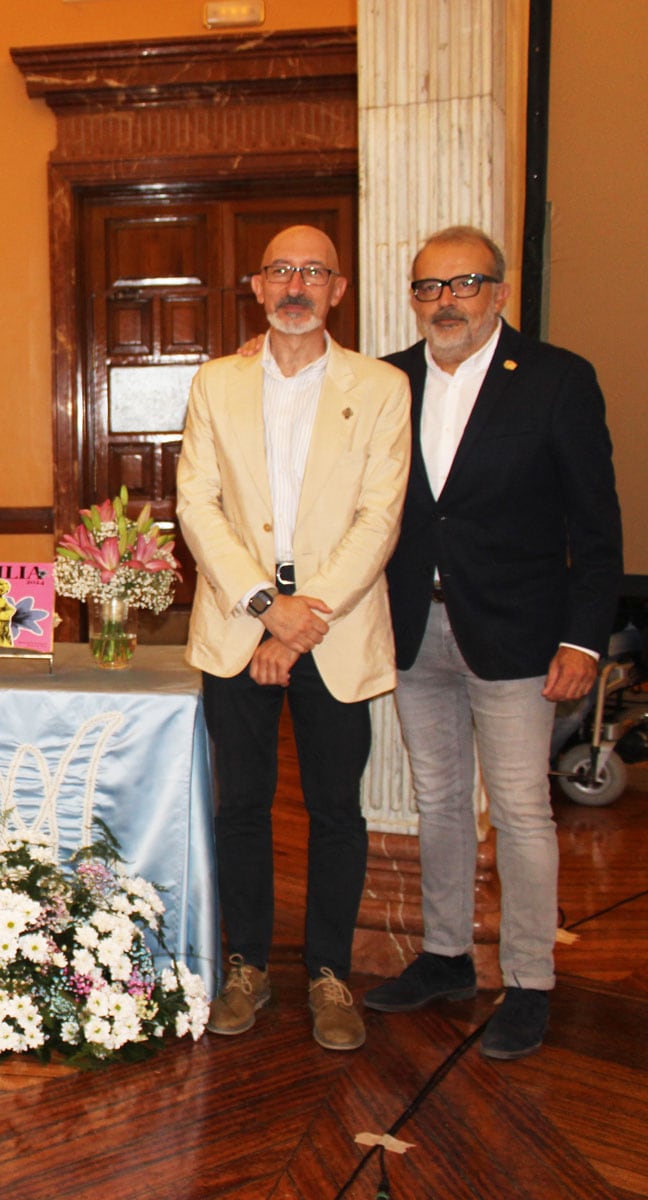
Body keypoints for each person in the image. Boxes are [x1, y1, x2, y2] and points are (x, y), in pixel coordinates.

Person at [365, 226, 623, 1060]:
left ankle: (529, 982)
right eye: (429, 287)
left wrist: (583, 640)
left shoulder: (556, 381)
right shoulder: (387, 383)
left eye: (464, 284)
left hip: (518, 635)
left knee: (519, 810)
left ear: (500, 293)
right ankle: (446, 957)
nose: (446, 302)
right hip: (415, 629)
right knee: (437, 801)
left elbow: (597, 523)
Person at [177, 225, 410, 1051]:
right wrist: (263, 606)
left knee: (334, 810)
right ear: (255, 284)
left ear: (339, 290)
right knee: (238, 805)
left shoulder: (382, 388)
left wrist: (304, 616)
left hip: (335, 633)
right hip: (239, 627)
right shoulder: (214, 383)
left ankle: (329, 973)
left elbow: (380, 517)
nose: (296, 285)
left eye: (314, 271)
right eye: (281, 270)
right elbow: (196, 507)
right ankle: (247, 967)